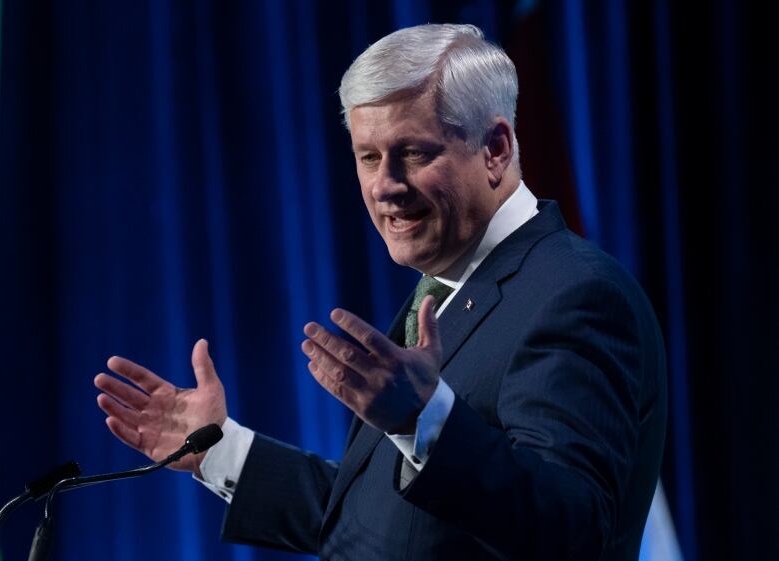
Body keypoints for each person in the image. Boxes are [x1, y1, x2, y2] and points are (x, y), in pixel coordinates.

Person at [94, 24, 666, 561]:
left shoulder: (574, 293)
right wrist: (218, 449)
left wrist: (424, 421)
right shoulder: (447, 289)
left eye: (413, 153)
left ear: (495, 148)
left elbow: (572, 532)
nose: (385, 186)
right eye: (369, 157)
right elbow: (388, 523)